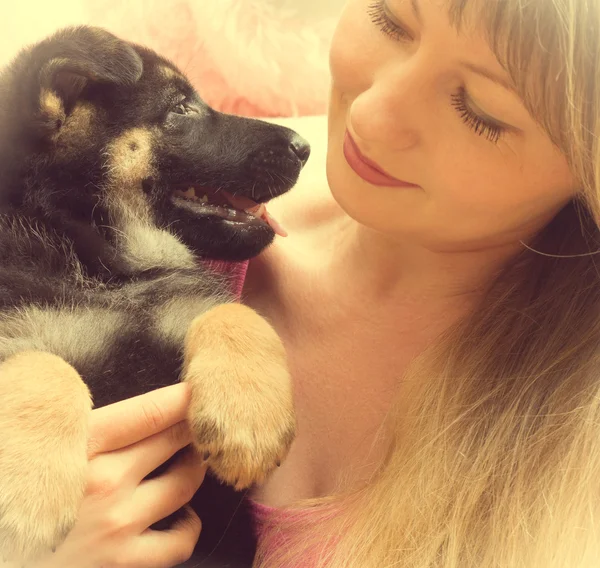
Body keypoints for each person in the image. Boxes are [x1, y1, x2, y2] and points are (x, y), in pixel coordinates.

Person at [21, 0, 600, 566]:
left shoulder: (575, 459)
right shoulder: (171, 194)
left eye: (481, 109)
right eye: (391, 20)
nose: (371, 115)